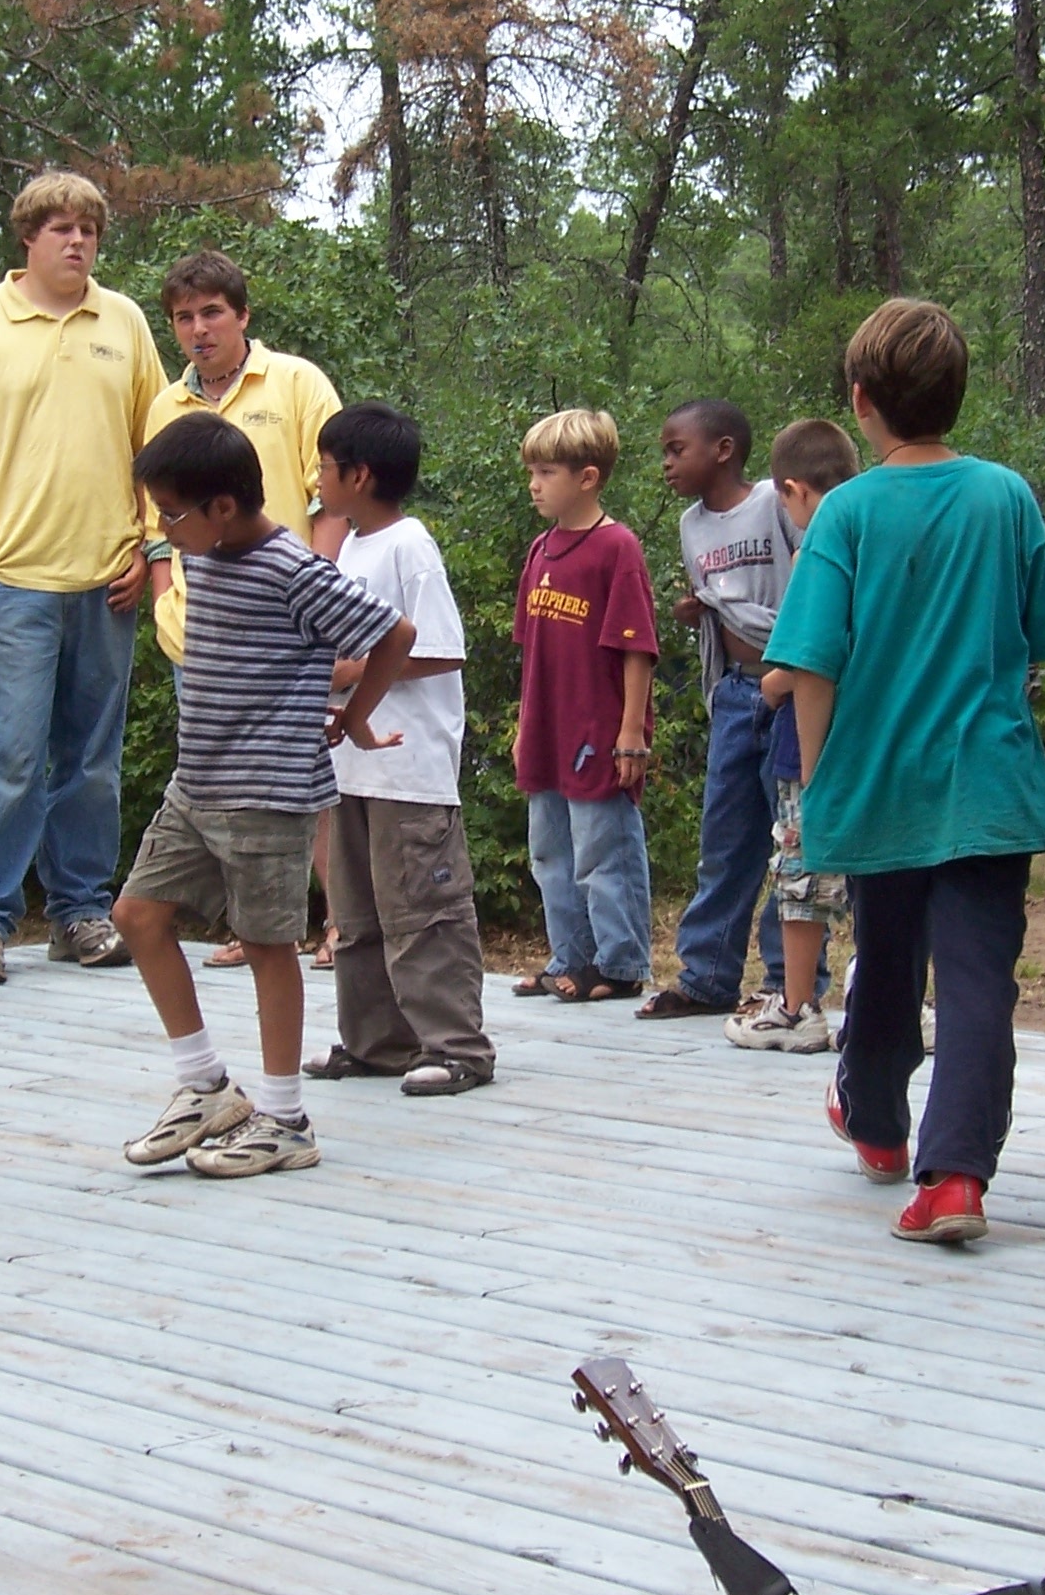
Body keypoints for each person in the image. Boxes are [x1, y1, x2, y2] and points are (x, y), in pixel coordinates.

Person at [763, 300, 1045, 1245]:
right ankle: (955, 1179)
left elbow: (811, 664)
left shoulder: (845, 513)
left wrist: (819, 784)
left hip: (879, 783)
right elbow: (1035, 636)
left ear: (861, 401)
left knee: (887, 962)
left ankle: (879, 1124)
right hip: (990, 786)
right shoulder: (1007, 496)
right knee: (978, 982)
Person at [112, 415, 416, 1176]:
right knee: (136, 916)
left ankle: (285, 1120)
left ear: (222, 506)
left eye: (171, 514)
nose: (163, 531)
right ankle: (205, 1087)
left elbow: (396, 634)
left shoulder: (294, 570)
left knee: (267, 947)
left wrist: (356, 717)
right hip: (197, 784)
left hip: (268, 793)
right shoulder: (207, 552)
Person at [0, 171, 164, 985]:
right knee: (9, 759)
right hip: (6, 583)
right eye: (61, 228)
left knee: (92, 763)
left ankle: (80, 911)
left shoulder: (123, 322)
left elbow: (158, 444)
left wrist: (149, 545)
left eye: (89, 229)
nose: (77, 242)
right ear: (28, 237)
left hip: (106, 582)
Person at [138, 250, 346, 970]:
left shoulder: (296, 381)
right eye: (183, 318)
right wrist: (164, 600)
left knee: (304, 772)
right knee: (218, 779)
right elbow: (155, 520)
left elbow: (330, 496)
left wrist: (318, 588)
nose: (199, 330)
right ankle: (251, 927)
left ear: (242, 315)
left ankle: (339, 921)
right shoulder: (166, 406)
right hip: (202, 628)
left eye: (212, 313)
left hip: (284, 621)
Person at [301, 403, 495, 1095]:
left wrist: (349, 672)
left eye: (324, 466)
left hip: (408, 769)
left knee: (424, 911)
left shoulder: (410, 545)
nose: (316, 479)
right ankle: (377, 1042)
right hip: (352, 768)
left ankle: (457, 1046)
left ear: (359, 475)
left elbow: (441, 649)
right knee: (357, 914)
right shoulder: (351, 547)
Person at [644, 401, 821, 1022]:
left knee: (789, 837)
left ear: (723, 450)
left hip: (790, 688)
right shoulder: (691, 524)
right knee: (724, 838)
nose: (667, 463)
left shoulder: (775, 500)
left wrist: (791, 670)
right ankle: (707, 976)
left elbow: (813, 578)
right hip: (734, 692)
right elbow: (722, 599)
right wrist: (699, 614)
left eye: (677, 449)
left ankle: (787, 981)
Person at [510, 410, 660, 1004]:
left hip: (598, 729)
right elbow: (531, 650)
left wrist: (631, 732)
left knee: (603, 849)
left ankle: (619, 963)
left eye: (547, 472)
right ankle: (569, 956)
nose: (534, 484)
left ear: (588, 477)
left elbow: (637, 648)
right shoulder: (541, 550)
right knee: (550, 850)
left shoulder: (616, 548)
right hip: (547, 727)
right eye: (532, 472)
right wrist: (524, 726)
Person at [726, 418, 859, 1053]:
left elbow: (805, 654)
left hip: (809, 746)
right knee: (881, 878)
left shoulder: (815, 552)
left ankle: (797, 1005)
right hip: (875, 741)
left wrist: (772, 686)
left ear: (792, 492)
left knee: (801, 876)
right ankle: (897, 1000)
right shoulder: (878, 538)